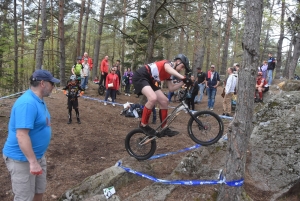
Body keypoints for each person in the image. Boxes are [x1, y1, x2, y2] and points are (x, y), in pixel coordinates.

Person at [2, 69, 60, 201]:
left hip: (37, 157)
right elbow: (21, 135)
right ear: (42, 83)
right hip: (22, 160)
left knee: (38, 191)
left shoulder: (38, 100)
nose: (53, 87)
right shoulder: (27, 103)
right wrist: (33, 162)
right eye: (52, 83)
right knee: (25, 198)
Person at [132, 54, 191, 137]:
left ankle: (164, 128)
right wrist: (183, 77)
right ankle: (143, 124)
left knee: (164, 101)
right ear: (178, 61)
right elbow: (167, 68)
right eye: (182, 66)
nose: (182, 69)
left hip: (149, 80)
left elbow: (171, 88)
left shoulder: (170, 73)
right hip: (140, 76)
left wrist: (183, 82)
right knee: (152, 98)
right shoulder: (169, 63)